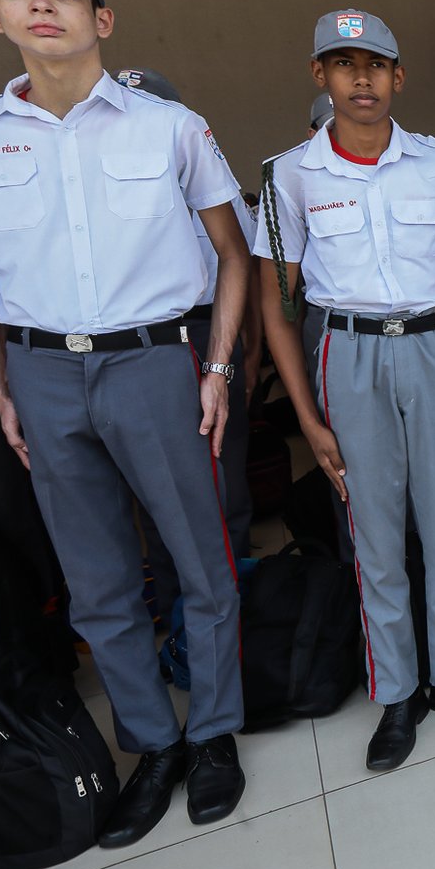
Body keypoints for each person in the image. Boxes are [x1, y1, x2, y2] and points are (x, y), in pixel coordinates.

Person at [0, 0, 249, 844]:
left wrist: (214, 366)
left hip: (150, 363)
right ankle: (151, 744)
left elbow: (232, 253)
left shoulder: (167, 125)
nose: (39, 5)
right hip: (43, 372)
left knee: (200, 562)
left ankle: (212, 735)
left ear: (102, 17)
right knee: (97, 582)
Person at [256, 9, 435, 772]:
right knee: (375, 536)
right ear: (321, 76)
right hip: (349, 355)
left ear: (398, 76)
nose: (361, 77)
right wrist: (307, 414)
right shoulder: (289, 175)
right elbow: (281, 304)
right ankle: (397, 694)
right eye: (344, 63)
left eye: (375, 63)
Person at [114, 67, 260, 587]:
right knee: (153, 484)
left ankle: (238, 591)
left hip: (206, 334)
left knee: (224, 475)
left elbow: (245, 268)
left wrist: (249, 352)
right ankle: (178, 597)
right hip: (138, 342)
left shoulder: (209, 179)